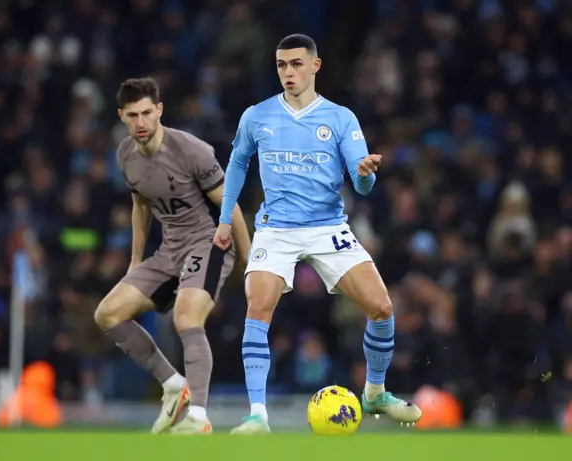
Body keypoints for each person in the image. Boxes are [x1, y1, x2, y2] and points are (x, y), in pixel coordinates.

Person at [213, 34, 422, 434]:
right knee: (257, 307)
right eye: (280, 65)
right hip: (276, 229)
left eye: (295, 64)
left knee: (381, 308)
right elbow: (237, 165)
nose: (287, 72)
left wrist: (364, 177)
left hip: (328, 227)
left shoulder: (340, 118)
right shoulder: (256, 116)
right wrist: (226, 218)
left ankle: (374, 392)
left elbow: (362, 182)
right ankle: (258, 415)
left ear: (315, 66)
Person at [94, 77, 250, 434]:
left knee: (185, 317)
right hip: (168, 251)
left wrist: (248, 257)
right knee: (108, 314)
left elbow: (230, 203)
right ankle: (172, 383)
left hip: (208, 242)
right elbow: (140, 205)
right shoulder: (124, 156)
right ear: (122, 116)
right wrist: (136, 260)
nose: (142, 122)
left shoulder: (191, 150)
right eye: (133, 115)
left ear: (160, 110)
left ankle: (198, 416)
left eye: (148, 113)